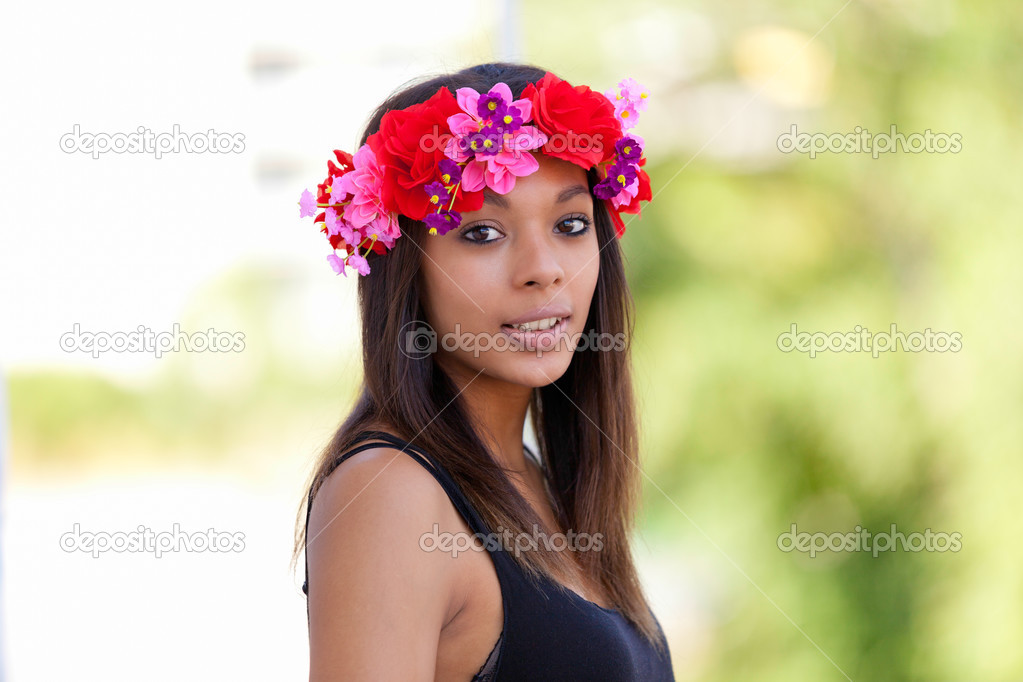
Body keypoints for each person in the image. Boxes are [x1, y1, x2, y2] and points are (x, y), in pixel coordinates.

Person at [293, 62, 671, 681]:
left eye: (570, 224)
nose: (543, 268)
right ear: (405, 266)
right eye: (484, 232)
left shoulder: (540, 481)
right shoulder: (392, 494)